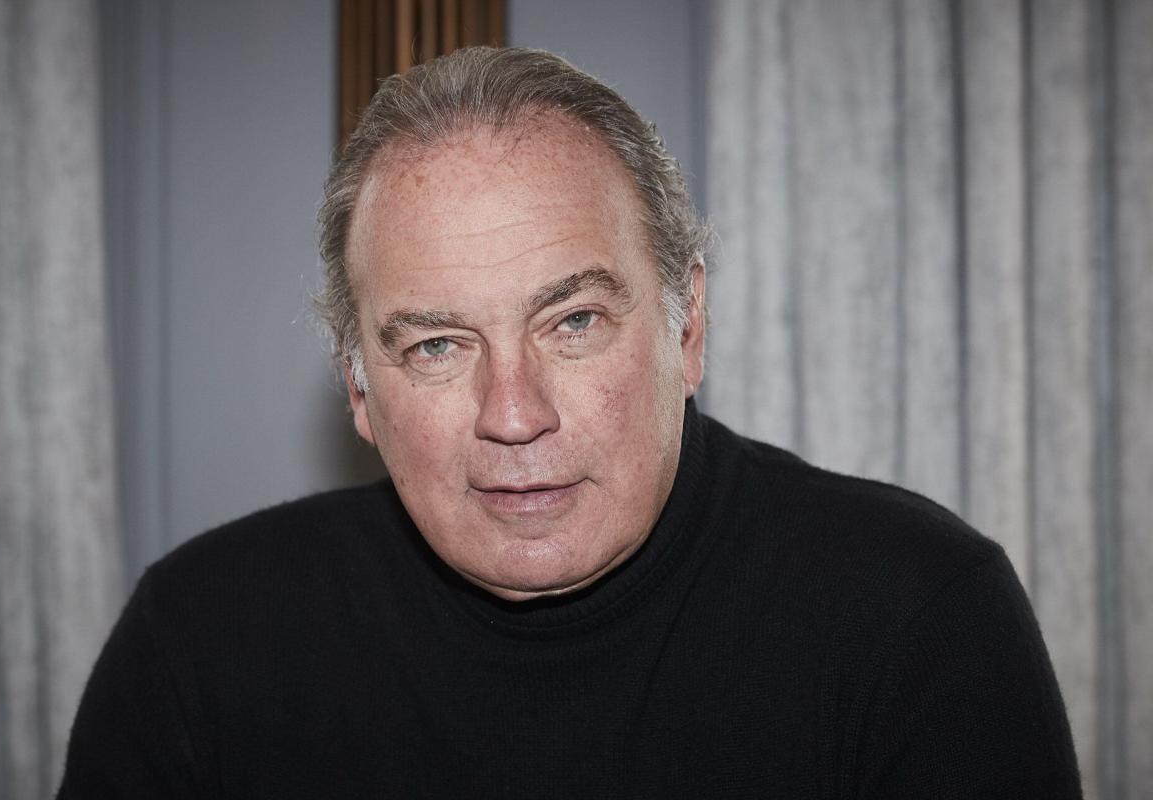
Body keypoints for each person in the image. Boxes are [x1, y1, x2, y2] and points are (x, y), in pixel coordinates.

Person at [59, 47, 1082, 798]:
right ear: (359, 388)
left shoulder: (920, 620)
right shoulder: (197, 647)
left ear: (688, 328)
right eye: (437, 344)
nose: (514, 414)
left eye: (575, 321)